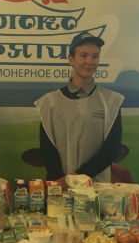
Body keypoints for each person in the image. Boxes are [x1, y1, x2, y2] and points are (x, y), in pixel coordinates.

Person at [34, 31, 124, 185]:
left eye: (95, 56)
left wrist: (74, 178)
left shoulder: (111, 101)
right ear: (71, 59)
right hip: (60, 187)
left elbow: (110, 151)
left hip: (97, 188)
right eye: (83, 55)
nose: (90, 61)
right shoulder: (49, 102)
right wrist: (61, 183)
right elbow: (48, 150)